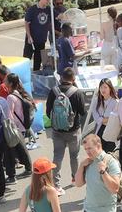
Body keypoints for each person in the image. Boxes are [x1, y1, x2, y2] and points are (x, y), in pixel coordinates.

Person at [45, 67, 86, 196]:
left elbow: (47, 111)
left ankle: (56, 185)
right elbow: (83, 112)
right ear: (73, 79)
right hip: (74, 131)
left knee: (57, 157)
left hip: (57, 131)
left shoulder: (53, 91)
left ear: (61, 78)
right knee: (74, 156)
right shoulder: (77, 92)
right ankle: (75, 178)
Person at [75, 134, 121, 212]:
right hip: (88, 209)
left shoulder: (110, 162)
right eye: (85, 149)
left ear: (98, 146)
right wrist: (81, 166)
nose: (87, 152)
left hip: (105, 210)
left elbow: (115, 189)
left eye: (89, 148)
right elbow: (78, 184)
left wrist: (103, 172)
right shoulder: (88, 162)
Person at [4, 73, 33, 185]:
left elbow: (9, 115)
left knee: (10, 153)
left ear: (10, 83)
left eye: (6, 81)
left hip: (14, 129)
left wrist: (7, 129)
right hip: (20, 128)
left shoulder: (10, 97)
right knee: (21, 150)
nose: (4, 82)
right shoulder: (18, 93)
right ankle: (28, 169)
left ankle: (11, 176)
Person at [91, 78, 118, 153]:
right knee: (99, 153)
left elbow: (115, 118)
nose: (103, 89)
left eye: (105, 87)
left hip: (111, 131)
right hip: (100, 129)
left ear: (110, 88)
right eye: (101, 87)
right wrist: (104, 120)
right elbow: (95, 115)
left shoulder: (115, 102)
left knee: (109, 154)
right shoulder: (97, 100)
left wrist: (105, 120)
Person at [24, 0, 50, 71]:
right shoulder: (32, 9)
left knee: (39, 56)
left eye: (48, 0)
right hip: (32, 37)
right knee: (28, 55)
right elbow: (26, 23)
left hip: (42, 38)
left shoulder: (48, 9)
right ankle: (28, 71)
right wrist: (29, 36)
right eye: (47, 0)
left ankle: (37, 70)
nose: (48, 1)